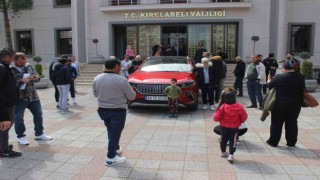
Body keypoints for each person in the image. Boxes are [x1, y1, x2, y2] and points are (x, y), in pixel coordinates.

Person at [93, 56, 136, 166]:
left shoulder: (97, 78)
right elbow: (132, 96)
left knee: (110, 130)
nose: (120, 69)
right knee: (115, 133)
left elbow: (95, 94)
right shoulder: (121, 80)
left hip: (102, 109)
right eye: (119, 66)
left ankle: (115, 148)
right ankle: (111, 157)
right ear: (116, 66)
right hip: (117, 110)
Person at [10, 52, 52, 145]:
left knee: (38, 115)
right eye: (23, 59)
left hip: (33, 96)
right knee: (19, 118)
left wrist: (35, 77)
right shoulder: (10, 69)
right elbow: (9, 83)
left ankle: (39, 133)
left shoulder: (28, 66)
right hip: (20, 98)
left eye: (26, 59)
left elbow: (36, 75)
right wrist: (21, 81)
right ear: (15, 60)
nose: (26, 61)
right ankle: (21, 136)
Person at [265, 60, 304, 148]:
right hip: (295, 104)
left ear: (285, 68)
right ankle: (291, 143)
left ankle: (273, 142)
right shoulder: (300, 77)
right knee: (292, 123)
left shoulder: (278, 77)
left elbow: (270, 86)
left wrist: (268, 81)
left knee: (276, 123)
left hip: (279, 105)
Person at [213, 87, 247, 162]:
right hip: (235, 127)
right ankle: (231, 154)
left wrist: (220, 119)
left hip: (224, 126)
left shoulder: (223, 107)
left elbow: (215, 117)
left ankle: (223, 151)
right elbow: (244, 117)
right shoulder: (240, 107)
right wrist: (240, 121)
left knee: (223, 139)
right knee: (233, 140)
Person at [0, 48, 22, 157]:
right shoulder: (1, 69)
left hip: (8, 102)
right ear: (6, 57)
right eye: (13, 57)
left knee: (6, 125)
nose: (13, 60)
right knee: (5, 125)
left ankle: (2, 145)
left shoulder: (5, 67)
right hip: (5, 104)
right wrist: (3, 116)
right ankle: (3, 150)